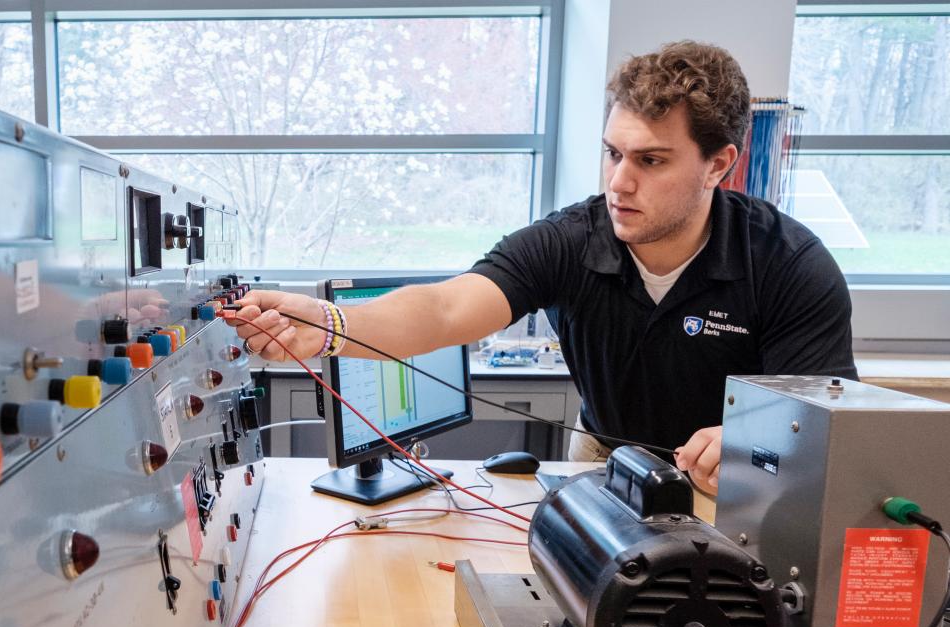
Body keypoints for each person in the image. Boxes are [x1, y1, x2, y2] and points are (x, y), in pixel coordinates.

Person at [226, 40, 857, 495]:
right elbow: (448, 308)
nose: (620, 182)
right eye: (612, 153)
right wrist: (331, 326)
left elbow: (826, 428)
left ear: (718, 165)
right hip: (603, 457)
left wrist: (748, 442)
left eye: (652, 161)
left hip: (733, 478)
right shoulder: (568, 240)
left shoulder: (789, 264)